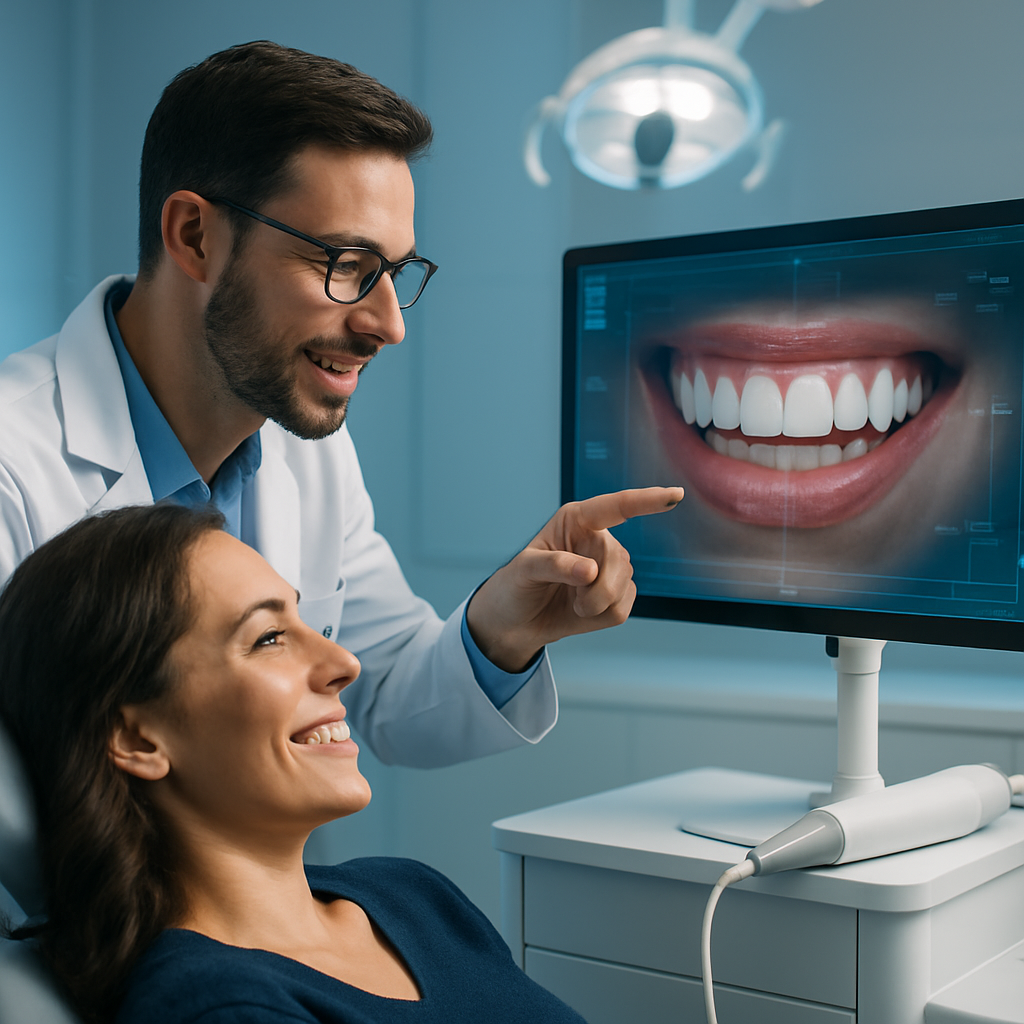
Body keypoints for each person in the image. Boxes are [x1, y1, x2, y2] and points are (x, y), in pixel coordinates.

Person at [0, 41, 682, 770]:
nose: (389, 325)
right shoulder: (16, 464)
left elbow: (382, 690)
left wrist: (505, 626)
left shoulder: (306, 452)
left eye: (394, 271)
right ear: (194, 236)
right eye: (346, 266)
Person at [0, 503, 592, 1023]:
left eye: (304, 621)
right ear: (138, 740)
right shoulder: (222, 1007)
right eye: (268, 638)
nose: (343, 661)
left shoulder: (412, 896)